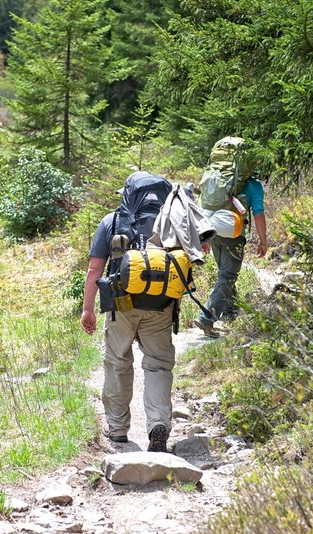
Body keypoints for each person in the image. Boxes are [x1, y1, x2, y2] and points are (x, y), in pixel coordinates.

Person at [80, 178, 176, 453]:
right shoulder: (171, 222)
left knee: (118, 362)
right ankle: (158, 423)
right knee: (158, 365)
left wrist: (88, 308)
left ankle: (118, 428)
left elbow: (95, 270)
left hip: (120, 305)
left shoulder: (112, 220)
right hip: (161, 306)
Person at [194, 171, 267, 337]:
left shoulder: (219, 180)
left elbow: (204, 204)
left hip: (212, 230)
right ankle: (207, 318)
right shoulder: (253, 185)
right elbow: (258, 213)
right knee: (228, 276)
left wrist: (204, 238)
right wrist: (263, 242)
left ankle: (230, 313)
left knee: (225, 275)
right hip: (232, 234)